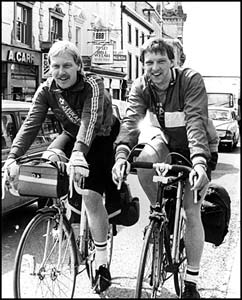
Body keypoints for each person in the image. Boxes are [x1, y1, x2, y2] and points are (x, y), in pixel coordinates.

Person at [3, 40, 118, 294]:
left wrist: (78, 154)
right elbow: (31, 124)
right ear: (49, 67)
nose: (61, 71)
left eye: (67, 65)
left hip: (101, 134)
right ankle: (62, 214)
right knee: (49, 157)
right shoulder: (47, 89)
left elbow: (90, 120)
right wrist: (12, 157)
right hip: (72, 132)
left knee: (90, 195)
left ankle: (100, 261)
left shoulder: (93, 84)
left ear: (79, 66)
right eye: (55, 66)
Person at [112, 37, 219, 299]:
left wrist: (199, 163)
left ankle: (191, 282)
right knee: (146, 161)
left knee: (192, 211)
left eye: (161, 61)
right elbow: (130, 122)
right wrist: (122, 156)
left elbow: (194, 121)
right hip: (167, 143)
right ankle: (162, 212)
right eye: (149, 62)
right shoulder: (141, 86)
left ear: (173, 62)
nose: (155, 67)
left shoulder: (190, 80)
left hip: (199, 147)